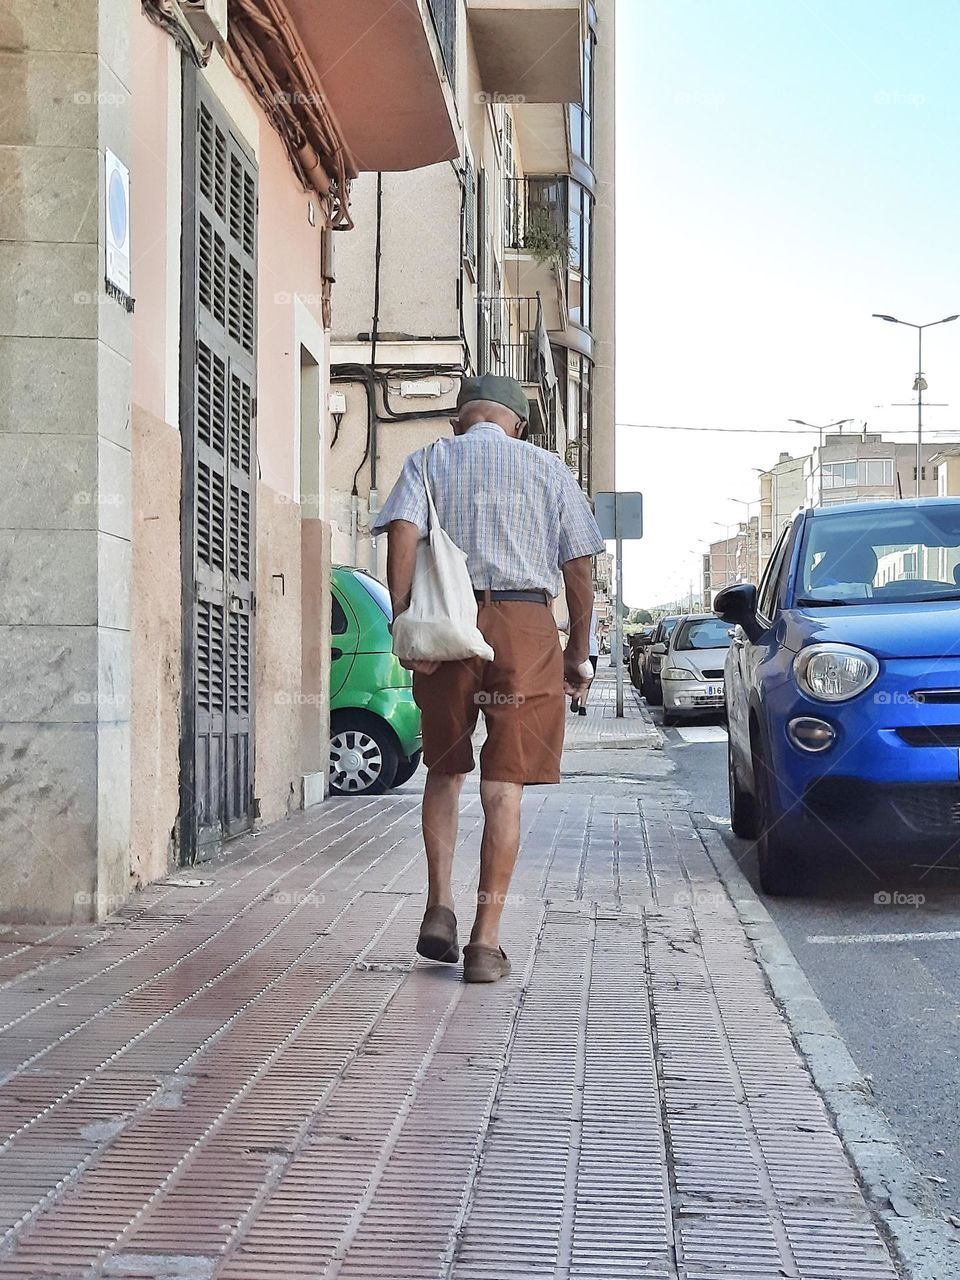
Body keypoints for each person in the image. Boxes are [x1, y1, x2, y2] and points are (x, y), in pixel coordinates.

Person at [372, 374, 605, 983]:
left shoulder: (427, 460)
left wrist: (403, 620)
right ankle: (484, 942)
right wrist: (578, 651)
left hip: (448, 625)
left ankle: (439, 908)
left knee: (445, 770)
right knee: (504, 787)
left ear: (459, 421)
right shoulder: (550, 470)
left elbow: (402, 532)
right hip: (525, 626)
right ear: (517, 424)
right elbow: (578, 566)